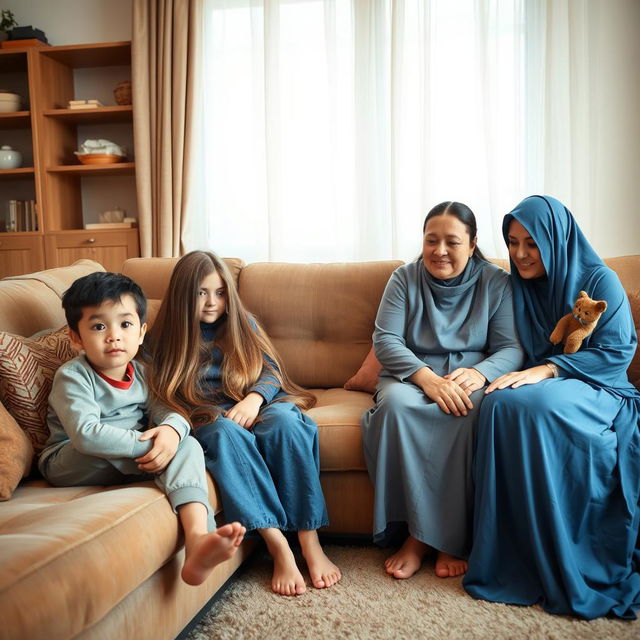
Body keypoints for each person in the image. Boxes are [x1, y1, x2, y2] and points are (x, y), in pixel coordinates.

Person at [463, 195, 640, 619]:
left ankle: (567, 557)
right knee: (496, 405)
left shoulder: (600, 280)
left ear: (556, 239)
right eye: (512, 242)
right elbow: (510, 346)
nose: (520, 254)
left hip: (599, 387)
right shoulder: (517, 285)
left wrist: (547, 370)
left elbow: (616, 353)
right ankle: (509, 555)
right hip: (540, 384)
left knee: (531, 405)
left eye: (532, 243)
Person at [146, 251, 341, 596]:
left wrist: (254, 399)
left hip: (256, 401)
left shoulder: (241, 321)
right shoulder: (160, 336)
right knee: (223, 434)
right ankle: (278, 545)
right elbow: (160, 393)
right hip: (209, 415)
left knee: (286, 425)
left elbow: (271, 370)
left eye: (219, 293)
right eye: (200, 293)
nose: (211, 303)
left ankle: (310, 542)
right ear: (181, 294)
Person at [38, 272, 246, 587]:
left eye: (125, 324)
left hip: (126, 456)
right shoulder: (74, 376)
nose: (114, 336)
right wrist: (151, 447)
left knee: (186, 445)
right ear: (76, 338)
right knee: (150, 449)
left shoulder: (143, 373)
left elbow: (168, 411)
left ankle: (197, 541)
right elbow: (86, 434)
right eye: (98, 326)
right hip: (70, 460)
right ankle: (160, 466)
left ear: (141, 333)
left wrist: (172, 434)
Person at [361, 201, 524, 580]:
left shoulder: (496, 282)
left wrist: (481, 374)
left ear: (472, 243)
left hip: (468, 376)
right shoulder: (403, 278)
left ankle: (448, 539)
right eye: (431, 240)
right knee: (396, 410)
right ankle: (417, 538)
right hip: (409, 377)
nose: (440, 251)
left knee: (469, 410)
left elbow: (511, 347)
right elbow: (386, 341)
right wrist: (426, 378)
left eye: (452, 242)